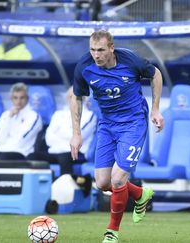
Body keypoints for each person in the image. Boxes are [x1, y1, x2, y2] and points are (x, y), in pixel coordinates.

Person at [70, 30, 164, 243]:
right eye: (92, 50)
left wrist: (155, 109)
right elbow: (76, 97)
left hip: (133, 123)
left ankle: (112, 232)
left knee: (118, 178)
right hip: (107, 125)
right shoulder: (84, 67)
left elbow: (155, 74)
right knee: (102, 183)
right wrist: (76, 133)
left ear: (111, 48)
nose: (96, 55)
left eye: (101, 50)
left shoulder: (130, 60)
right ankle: (140, 194)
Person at [28, 86, 97, 195]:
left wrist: (62, 135)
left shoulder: (89, 116)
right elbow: (49, 138)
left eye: (75, 97)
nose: (72, 99)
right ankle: (34, 192)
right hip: (55, 152)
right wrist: (68, 135)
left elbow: (78, 136)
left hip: (76, 153)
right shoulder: (58, 114)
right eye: (70, 97)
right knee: (32, 156)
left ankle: (66, 193)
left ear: (83, 98)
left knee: (64, 157)